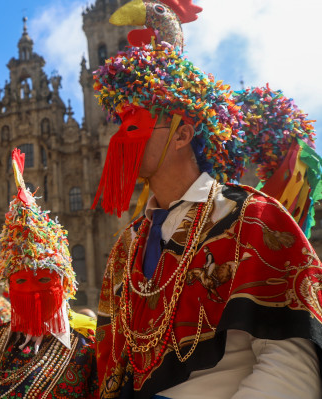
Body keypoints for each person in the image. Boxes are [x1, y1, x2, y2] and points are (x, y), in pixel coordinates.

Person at [92, 42, 322, 397]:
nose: (119, 138)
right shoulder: (127, 246)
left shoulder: (251, 217)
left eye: (134, 125)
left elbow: (291, 368)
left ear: (182, 135)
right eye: (119, 124)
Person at [0, 148, 98, 398]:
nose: (33, 290)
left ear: (65, 280)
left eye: (45, 278)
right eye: (21, 280)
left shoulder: (90, 346)